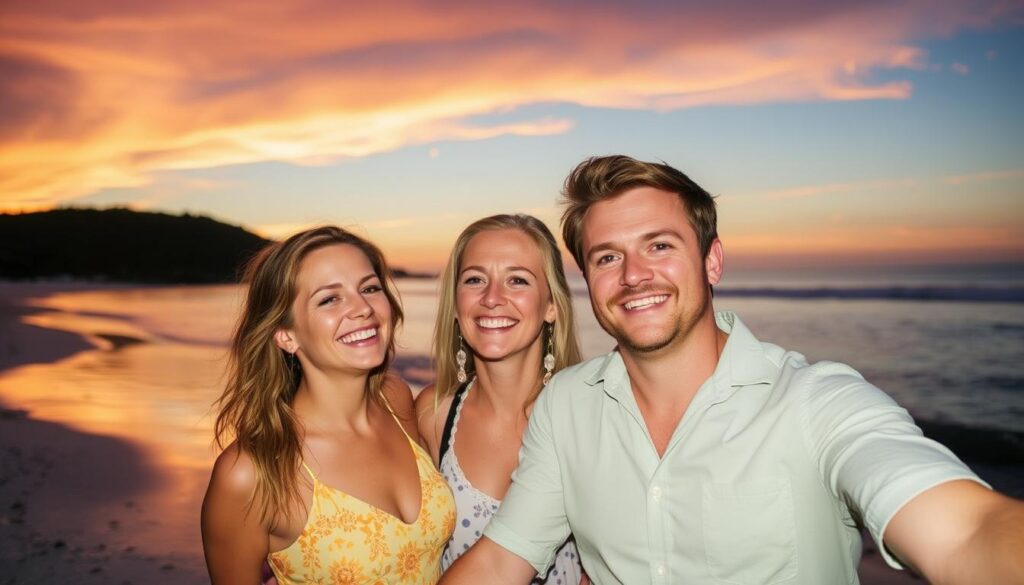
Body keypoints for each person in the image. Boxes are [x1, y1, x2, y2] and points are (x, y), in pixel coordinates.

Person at [441, 156, 1024, 585]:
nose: (634, 275)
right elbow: (503, 557)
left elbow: (967, 533)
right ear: (588, 282)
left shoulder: (814, 400)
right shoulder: (567, 404)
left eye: (660, 246)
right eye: (607, 257)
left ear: (711, 259)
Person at [202, 226, 455, 585]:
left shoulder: (396, 400)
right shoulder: (250, 473)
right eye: (329, 299)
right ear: (286, 335)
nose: (363, 308)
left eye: (369, 288)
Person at [415, 214, 586, 584]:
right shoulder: (434, 414)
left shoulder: (586, 413)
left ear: (551, 305)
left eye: (517, 280)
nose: (492, 298)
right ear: (457, 306)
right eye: (475, 280)